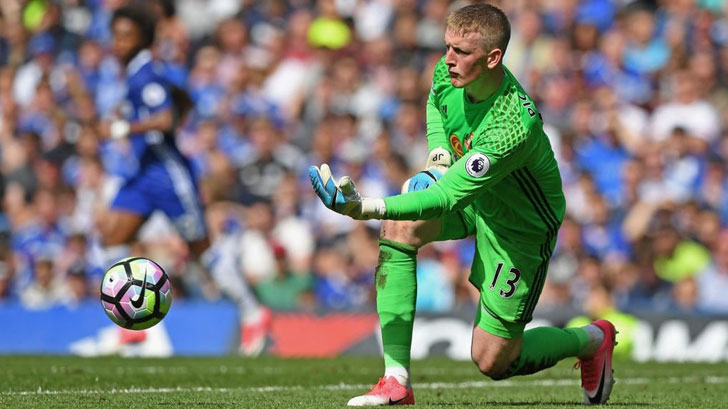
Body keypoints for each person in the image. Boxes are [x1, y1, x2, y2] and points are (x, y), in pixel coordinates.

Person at [310, 4, 616, 406]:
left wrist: (365, 207)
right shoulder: (448, 70)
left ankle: (591, 340)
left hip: (518, 227)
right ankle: (395, 381)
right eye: (447, 47)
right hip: (476, 196)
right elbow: (436, 105)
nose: (449, 59)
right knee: (400, 227)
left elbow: (446, 196)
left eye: (461, 52)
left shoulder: (512, 124)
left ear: (493, 58)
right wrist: (437, 158)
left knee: (491, 360)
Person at [98, 5, 269, 355]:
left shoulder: (145, 73)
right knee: (113, 236)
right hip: (144, 174)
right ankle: (133, 326)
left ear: (142, 38)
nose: (118, 43)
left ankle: (254, 314)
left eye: (126, 36)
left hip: (168, 177)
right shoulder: (140, 71)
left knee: (202, 252)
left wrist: (123, 127)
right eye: (115, 35)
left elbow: (164, 118)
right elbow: (182, 99)